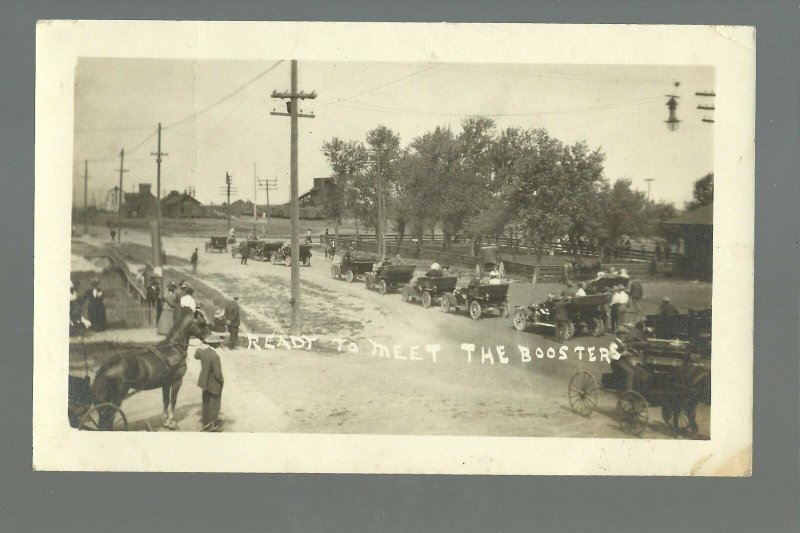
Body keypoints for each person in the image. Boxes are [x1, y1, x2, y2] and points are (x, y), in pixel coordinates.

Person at [195, 333, 224, 431]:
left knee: (205, 403)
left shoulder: (203, 352)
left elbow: (196, 355)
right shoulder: (215, 356)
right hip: (213, 384)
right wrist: (221, 380)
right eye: (218, 343)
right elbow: (218, 374)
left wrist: (200, 346)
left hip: (204, 383)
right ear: (216, 344)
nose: (219, 344)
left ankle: (205, 423)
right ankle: (212, 425)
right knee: (214, 404)